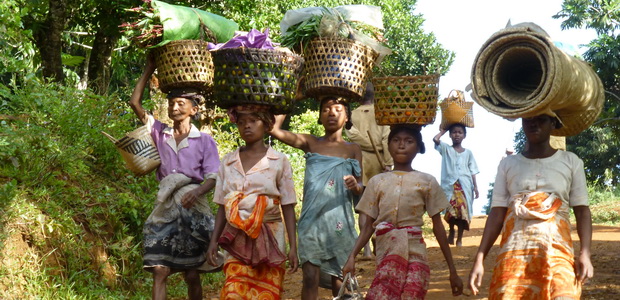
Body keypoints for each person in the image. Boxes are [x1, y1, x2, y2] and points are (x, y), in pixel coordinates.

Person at [468, 114, 594, 298]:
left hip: (556, 251)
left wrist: (585, 254)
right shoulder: (508, 164)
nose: (533, 124)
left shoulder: (571, 162)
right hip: (514, 252)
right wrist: (479, 259)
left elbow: (582, 211)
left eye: (541, 119)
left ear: (554, 123)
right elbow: (497, 213)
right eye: (528, 119)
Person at [128, 57, 221, 300]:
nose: (174, 108)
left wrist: (197, 192)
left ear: (194, 109)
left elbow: (213, 177)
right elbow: (135, 102)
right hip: (166, 205)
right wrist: (149, 68)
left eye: (181, 103)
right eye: (171, 103)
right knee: (159, 268)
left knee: (191, 272)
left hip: (193, 207)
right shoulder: (159, 132)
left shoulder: (204, 141)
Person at [343, 125, 463, 299]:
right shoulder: (377, 181)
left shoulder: (427, 181)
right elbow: (367, 227)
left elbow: (438, 227)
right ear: (389, 145)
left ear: (418, 148)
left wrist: (453, 271)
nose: (402, 145)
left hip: (416, 253)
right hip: (386, 253)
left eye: (409, 141)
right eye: (396, 140)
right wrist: (352, 257)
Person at [269, 96, 364, 299]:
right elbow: (274, 130)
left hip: (340, 223)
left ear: (347, 117)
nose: (331, 113)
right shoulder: (310, 142)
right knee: (310, 277)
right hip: (311, 223)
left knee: (339, 280)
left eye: (338, 109)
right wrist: (294, 96)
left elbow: (360, 185)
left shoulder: (353, 149)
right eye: (326, 109)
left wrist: (355, 185)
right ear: (320, 117)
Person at [205, 105, 299, 299]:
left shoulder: (279, 160)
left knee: (266, 292)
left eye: (253, 121)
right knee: (233, 291)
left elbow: (288, 205)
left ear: (266, 124)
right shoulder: (228, 161)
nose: (246, 126)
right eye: (241, 122)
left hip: (270, 235)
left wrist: (293, 247)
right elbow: (223, 205)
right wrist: (213, 241)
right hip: (236, 236)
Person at [345, 82, 393, 259]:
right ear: (374, 95)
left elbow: (353, 136)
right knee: (380, 204)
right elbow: (387, 138)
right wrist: (388, 162)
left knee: (364, 206)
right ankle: (376, 242)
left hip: (360, 162)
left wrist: (365, 143)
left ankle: (366, 249)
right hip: (379, 162)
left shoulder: (351, 115)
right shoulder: (382, 112)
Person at [433, 123, 480, 247]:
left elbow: (473, 171)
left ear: (464, 135)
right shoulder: (446, 149)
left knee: (462, 214)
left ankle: (459, 238)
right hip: (450, 187)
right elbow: (435, 140)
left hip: (464, 186)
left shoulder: (468, 153)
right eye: (454, 132)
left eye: (460, 132)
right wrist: (442, 131)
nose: (457, 135)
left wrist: (475, 187)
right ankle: (451, 230)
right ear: (450, 135)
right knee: (451, 212)